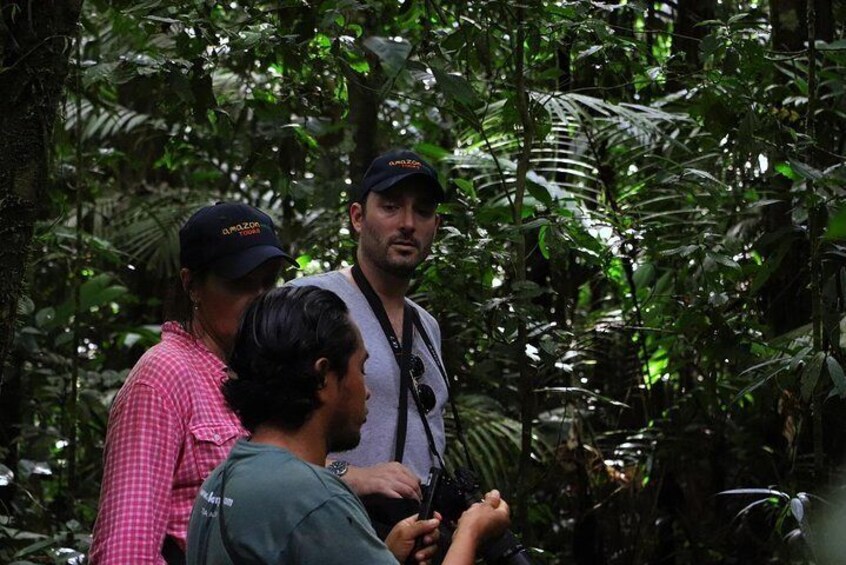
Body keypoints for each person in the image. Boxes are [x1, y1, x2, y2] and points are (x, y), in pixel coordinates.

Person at [185, 286, 510, 564]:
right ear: (324, 376)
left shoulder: (221, 480)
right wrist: (470, 532)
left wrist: (383, 555)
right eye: (361, 367)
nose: (366, 390)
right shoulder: (315, 499)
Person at [89, 202, 297, 565]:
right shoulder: (163, 376)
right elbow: (125, 553)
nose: (260, 297)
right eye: (240, 283)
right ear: (192, 285)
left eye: (268, 281)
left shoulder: (260, 373)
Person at [289, 149, 448, 533]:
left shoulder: (427, 325)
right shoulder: (311, 301)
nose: (408, 224)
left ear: (436, 226)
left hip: (413, 539)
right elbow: (256, 436)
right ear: (358, 217)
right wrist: (352, 475)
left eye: (422, 211)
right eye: (391, 207)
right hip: (329, 530)